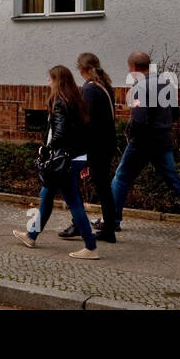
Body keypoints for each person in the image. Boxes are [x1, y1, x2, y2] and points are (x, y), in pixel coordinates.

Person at [112, 51, 180, 241]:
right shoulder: (166, 84)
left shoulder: (140, 87)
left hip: (143, 142)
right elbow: (175, 113)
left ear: (133, 68)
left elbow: (139, 119)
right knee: (176, 181)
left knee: (121, 176)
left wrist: (130, 134)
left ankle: (112, 220)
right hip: (164, 140)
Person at [13, 65, 99, 259]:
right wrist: (84, 160)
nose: (48, 82)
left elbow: (60, 133)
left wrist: (47, 148)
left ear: (58, 81)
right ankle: (31, 235)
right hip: (75, 157)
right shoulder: (76, 100)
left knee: (73, 202)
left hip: (64, 159)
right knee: (47, 195)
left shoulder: (60, 101)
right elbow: (85, 132)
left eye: (50, 79)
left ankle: (91, 247)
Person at [58, 52, 118, 243]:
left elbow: (87, 122)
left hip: (95, 146)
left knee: (76, 186)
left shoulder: (89, 89)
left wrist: (82, 152)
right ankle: (108, 228)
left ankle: (79, 225)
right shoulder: (105, 86)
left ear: (81, 69)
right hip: (106, 144)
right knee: (103, 188)